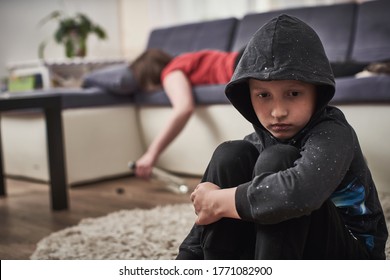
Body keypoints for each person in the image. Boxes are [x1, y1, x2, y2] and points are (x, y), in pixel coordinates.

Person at [176, 14, 388, 260]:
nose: (278, 112)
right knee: (230, 154)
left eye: (294, 93)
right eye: (263, 96)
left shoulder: (334, 132)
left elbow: (302, 193)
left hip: (350, 257)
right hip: (287, 248)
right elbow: (205, 212)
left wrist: (221, 201)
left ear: (316, 93)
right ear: (248, 97)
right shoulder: (257, 140)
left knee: (278, 159)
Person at [130, 48, 244, 178]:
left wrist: (151, 154)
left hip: (241, 65)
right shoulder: (182, 60)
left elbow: (184, 109)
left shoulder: (171, 72)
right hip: (243, 58)